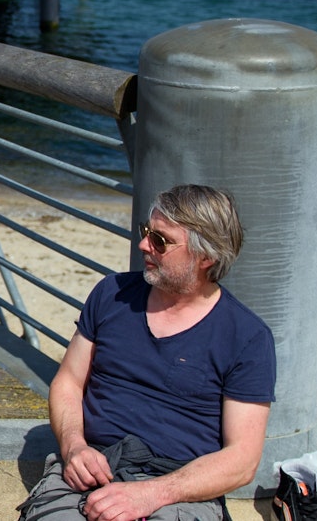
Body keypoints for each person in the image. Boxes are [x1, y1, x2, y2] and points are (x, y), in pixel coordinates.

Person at [18, 184, 276, 521]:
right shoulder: (112, 294)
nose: (143, 245)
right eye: (146, 231)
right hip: (95, 465)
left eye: (160, 241)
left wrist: (152, 494)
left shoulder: (247, 337)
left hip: (181, 487)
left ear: (206, 257)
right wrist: (74, 446)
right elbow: (68, 382)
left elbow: (242, 460)